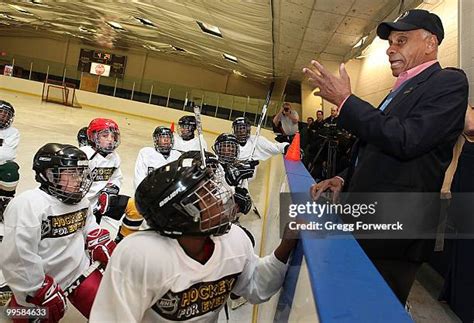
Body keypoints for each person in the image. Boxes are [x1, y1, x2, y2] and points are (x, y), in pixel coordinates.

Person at [304, 9, 468, 304]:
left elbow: (407, 139)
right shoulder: (401, 88)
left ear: (430, 43)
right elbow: (375, 147)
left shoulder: (448, 83)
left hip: (394, 232)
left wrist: (346, 101)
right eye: (390, 42)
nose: (391, 49)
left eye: (401, 41)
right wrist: (343, 177)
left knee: (372, 308)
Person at [89, 153, 297, 322]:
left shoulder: (234, 238)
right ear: (182, 213)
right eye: (206, 194)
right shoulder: (139, 255)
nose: (220, 198)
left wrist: (286, 244)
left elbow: (256, 288)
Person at [0, 143, 116, 321]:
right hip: (41, 281)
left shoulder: (81, 201)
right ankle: (11, 307)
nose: (78, 180)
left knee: (110, 313)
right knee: (26, 316)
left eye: (80, 173)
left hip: (78, 272)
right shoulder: (29, 205)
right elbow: (18, 257)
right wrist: (36, 288)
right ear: (48, 175)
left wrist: (95, 236)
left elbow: (88, 224)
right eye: (71, 173)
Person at [115, 126, 181, 242]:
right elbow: (139, 177)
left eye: (168, 138)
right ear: (156, 140)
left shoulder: (177, 156)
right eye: (162, 138)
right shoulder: (146, 153)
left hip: (170, 200)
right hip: (150, 199)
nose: (166, 140)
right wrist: (146, 197)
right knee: (147, 229)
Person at [81, 118, 129, 228]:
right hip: (79, 206)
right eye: (105, 136)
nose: (110, 140)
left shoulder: (114, 157)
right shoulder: (85, 154)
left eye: (113, 136)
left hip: (97, 206)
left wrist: (109, 191)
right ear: (93, 137)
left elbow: (117, 178)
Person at [0, 100, 20, 307]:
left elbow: (8, 155)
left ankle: (3, 202)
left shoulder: (12, 132)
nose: (2, 117)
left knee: (11, 169)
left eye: (5, 115)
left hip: (1, 166)